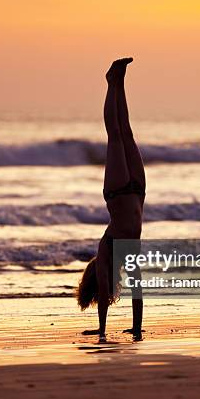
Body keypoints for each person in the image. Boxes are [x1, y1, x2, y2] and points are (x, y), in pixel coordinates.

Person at [76, 57, 145, 343]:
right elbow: (138, 292)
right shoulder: (128, 255)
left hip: (117, 191)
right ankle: (120, 79)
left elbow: (104, 293)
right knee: (125, 130)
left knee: (115, 135)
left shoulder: (105, 249)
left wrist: (103, 333)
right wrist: (137, 329)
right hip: (138, 191)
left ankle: (112, 82)